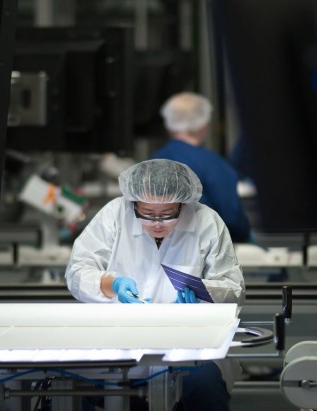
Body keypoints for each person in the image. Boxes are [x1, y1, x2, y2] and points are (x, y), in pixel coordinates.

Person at [65, 159, 245, 411]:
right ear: (133, 203)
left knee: (203, 384)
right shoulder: (115, 214)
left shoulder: (206, 221)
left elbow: (234, 288)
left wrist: (203, 293)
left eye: (168, 214)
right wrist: (112, 284)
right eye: (147, 214)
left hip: (189, 339)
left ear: (183, 203)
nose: (157, 223)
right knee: (73, 383)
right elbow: (78, 271)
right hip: (119, 335)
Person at [151, 92, 251, 243]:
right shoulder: (213, 164)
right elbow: (232, 217)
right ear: (204, 125)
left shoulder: (151, 161)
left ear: (169, 123)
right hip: (205, 244)